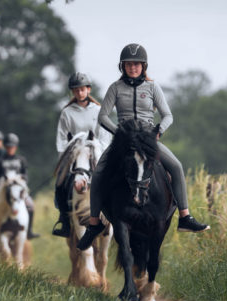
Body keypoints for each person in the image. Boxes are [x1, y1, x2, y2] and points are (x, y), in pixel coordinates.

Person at [77, 43, 209, 250]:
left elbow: (168, 115)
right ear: (123, 66)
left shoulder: (153, 87)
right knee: (100, 172)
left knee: (176, 166)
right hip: (123, 140)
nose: (133, 68)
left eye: (137, 64)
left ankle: (185, 216)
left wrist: (159, 131)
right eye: (129, 64)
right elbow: (103, 116)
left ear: (143, 66)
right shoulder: (115, 88)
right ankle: (94, 224)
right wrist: (119, 132)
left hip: (147, 139)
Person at [51, 72, 111, 238]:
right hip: (75, 155)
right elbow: (62, 139)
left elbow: (105, 136)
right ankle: (64, 218)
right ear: (73, 92)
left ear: (88, 89)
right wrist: (65, 159)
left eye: (82, 89)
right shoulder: (67, 113)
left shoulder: (99, 111)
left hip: (94, 151)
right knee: (60, 183)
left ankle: (115, 215)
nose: (79, 93)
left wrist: (99, 151)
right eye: (76, 90)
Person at [0, 133, 40, 239]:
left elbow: (26, 175)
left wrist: (21, 179)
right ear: (5, 147)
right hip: (4, 190)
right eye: (8, 147)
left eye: (12, 147)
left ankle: (29, 231)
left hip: (19, 189)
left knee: (30, 205)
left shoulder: (21, 160)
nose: (10, 149)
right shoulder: (1, 160)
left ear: (15, 147)